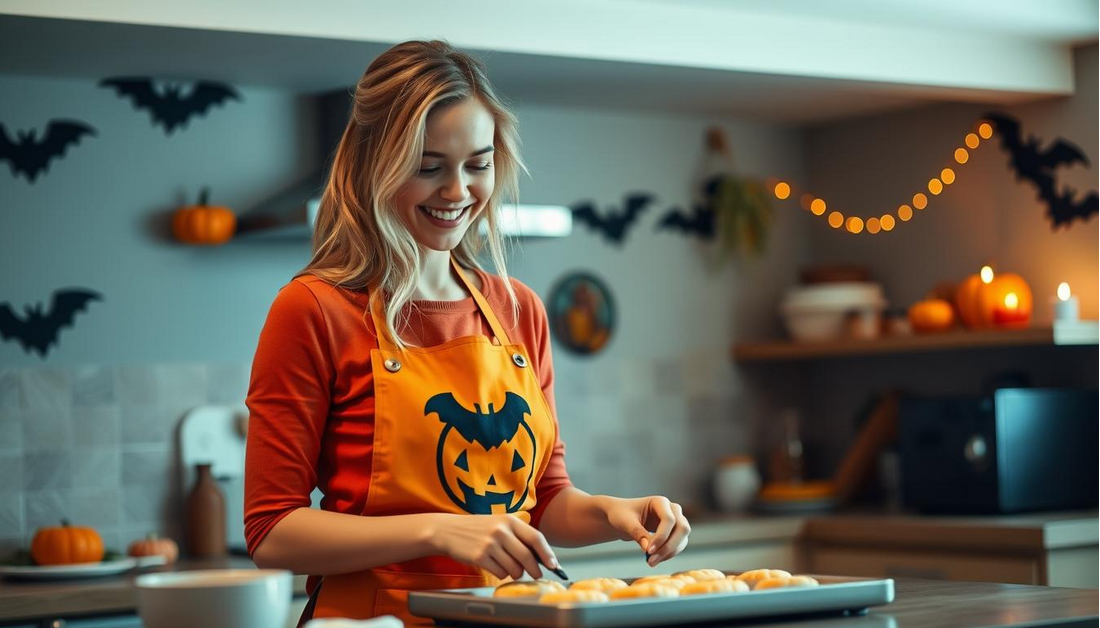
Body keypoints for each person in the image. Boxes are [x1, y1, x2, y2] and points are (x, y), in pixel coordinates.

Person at [244, 40, 691, 625]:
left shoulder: (518, 309)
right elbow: (271, 530)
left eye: (477, 165)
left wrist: (613, 513)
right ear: (374, 165)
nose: (457, 192)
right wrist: (439, 531)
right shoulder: (313, 310)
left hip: (504, 616)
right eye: (429, 167)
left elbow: (545, 502)